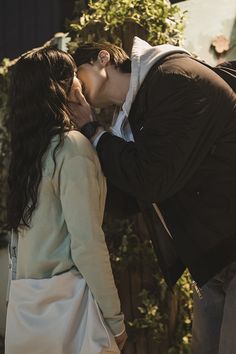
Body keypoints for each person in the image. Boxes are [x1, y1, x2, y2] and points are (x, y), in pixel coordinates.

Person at [71, 37, 236, 354]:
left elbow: (152, 179)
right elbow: (128, 198)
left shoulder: (175, 78)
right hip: (212, 261)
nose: (74, 89)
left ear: (102, 59)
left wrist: (94, 131)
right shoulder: (129, 117)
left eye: (76, 75)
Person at [5, 46, 127, 353]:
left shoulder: (27, 158)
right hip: (69, 313)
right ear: (59, 88)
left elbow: (18, 249)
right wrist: (115, 320)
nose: (79, 81)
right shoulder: (72, 148)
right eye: (72, 74)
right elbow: (86, 243)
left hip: (27, 313)